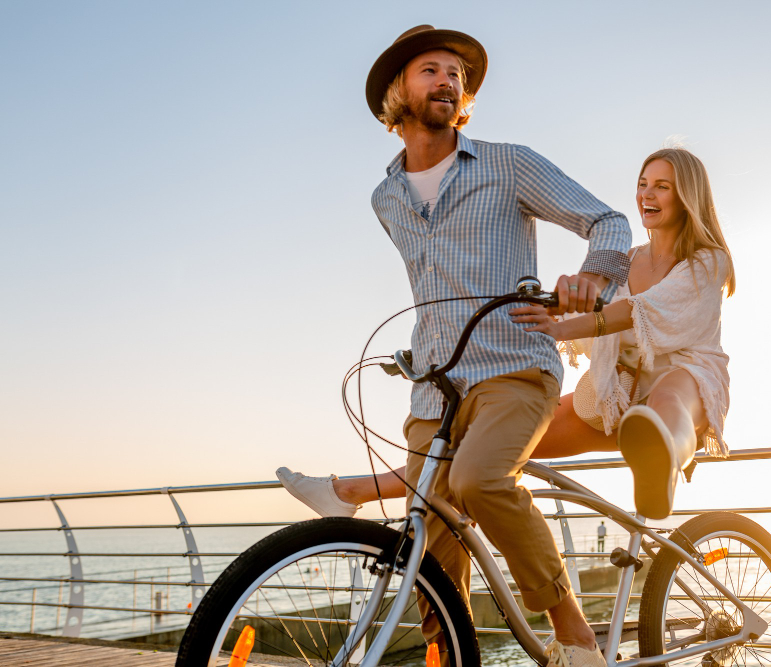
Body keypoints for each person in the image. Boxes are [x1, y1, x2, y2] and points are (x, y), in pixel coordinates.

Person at [287, 24, 633, 666]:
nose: (448, 81)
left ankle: (577, 638)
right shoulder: (384, 198)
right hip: (436, 381)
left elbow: (607, 221)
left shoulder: (507, 164)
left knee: (476, 481)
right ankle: (448, 658)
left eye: (456, 74)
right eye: (431, 70)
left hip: (515, 366)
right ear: (398, 92)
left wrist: (594, 276)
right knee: (429, 532)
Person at [280, 146, 734, 521]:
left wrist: (560, 326)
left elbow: (636, 313)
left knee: (669, 397)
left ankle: (664, 460)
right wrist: (535, 312)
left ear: (687, 196)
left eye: (662, 187)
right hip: (615, 396)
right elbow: (592, 304)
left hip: (682, 381)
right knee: (465, 453)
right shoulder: (628, 258)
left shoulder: (708, 260)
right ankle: (349, 493)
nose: (647, 195)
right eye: (643, 184)